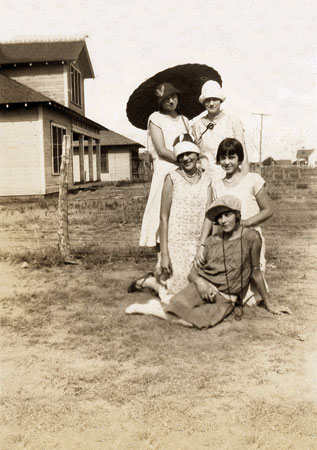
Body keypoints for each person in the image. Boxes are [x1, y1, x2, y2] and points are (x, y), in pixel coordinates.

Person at [126, 195, 291, 329]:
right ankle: (155, 299)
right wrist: (201, 283)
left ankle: (156, 299)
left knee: (198, 321)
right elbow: (193, 272)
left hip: (227, 297)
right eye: (219, 217)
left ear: (238, 215)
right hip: (202, 287)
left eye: (227, 215)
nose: (223, 221)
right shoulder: (212, 241)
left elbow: (255, 272)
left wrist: (270, 304)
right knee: (176, 307)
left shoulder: (252, 237)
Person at [126, 133, 212, 315]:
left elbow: (208, 216)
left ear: (196, 154)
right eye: (180, 156)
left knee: (200, 292)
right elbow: (163, 218)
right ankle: (149, 283)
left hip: (199, 242)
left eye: (189, 153)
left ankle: (153, 281)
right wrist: (164, 254)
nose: (186, 158)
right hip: (176, 243)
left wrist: (202, 246)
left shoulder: (207, 180)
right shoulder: (171, 178)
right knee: (175, 299)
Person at [196, 137, 272, 305]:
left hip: (251, 240)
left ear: (240, 159)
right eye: (223, 157)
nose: (227, 162)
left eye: (232, 157)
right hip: (227, 242)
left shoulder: (253, 179)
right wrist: (202, 246)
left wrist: (246, 222)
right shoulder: (217, 185)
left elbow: (268, 210)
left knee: (251, 301)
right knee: (226, 295)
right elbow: (210, 217)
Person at [139, 82, 190, 248]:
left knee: (182, 212)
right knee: (162, 213)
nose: (171, 101)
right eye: (166, 99)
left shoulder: (185, 120)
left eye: (173, 96)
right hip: (166, 168)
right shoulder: (155, 118)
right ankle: (162, 260)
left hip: (185, 170)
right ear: (160, 102)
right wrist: (183, 159)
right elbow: (161, 149)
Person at [192, 80, 249, 179]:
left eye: (215, 99)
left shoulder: (233, 121)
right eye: (207, 100)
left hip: (230, 177)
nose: (211, 103)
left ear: (220, 100)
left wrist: (245, 180)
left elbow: (243, 154)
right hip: (205, 178)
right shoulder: (197, 125)